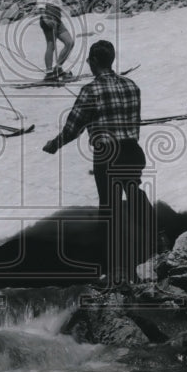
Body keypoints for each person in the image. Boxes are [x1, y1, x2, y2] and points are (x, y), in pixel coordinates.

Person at [42, 39, 151, 285]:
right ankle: (154, 245)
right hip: (133, 150)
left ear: (93, 61)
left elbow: (73, 128)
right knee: (134, 195)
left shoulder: (90, 91)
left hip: (107, 153)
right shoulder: (132, 85)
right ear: (111, 59)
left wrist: (54, 144)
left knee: (109, 209)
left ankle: (115, 268)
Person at [37, 0, 74, 80]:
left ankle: (58, 68)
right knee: (51, 45)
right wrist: (45, 18)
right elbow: (41, 3)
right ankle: (49, 73)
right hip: (48, 16)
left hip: (57, 18)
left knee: (69, 42)